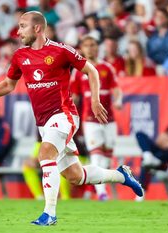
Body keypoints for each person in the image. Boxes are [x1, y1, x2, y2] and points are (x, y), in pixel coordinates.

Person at [0, 11, 143, 226]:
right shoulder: (20, 56)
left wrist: (94, 101)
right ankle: (121, 176)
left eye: (23, 26)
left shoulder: (61, 51)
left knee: (44, 152)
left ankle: (49, 214)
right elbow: (9, 84)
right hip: (44, 123)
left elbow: (91, 70)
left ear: (37, 28)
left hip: (65, 115)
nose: (18, 31)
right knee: (75, 176)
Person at [71, 35, 123, 201]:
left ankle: (99, 188)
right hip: (89, 119)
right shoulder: (79, 71)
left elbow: (116, 88)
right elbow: (74, 95)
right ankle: (101, 193)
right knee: (96, 153)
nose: (90, 48)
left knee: (107, 154)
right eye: (86, 45)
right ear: (82, 49)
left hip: (109, 119)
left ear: (97, 47)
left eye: (93, 44)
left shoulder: (106, 67)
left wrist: (118, 100)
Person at [22, 134, 71, 200]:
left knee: (62, 165)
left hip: (69, 153)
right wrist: (34, 157)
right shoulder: (42, 126)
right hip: (50, 152)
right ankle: (39, 197)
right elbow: (39, 143)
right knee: (27, 166)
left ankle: (65, 198)